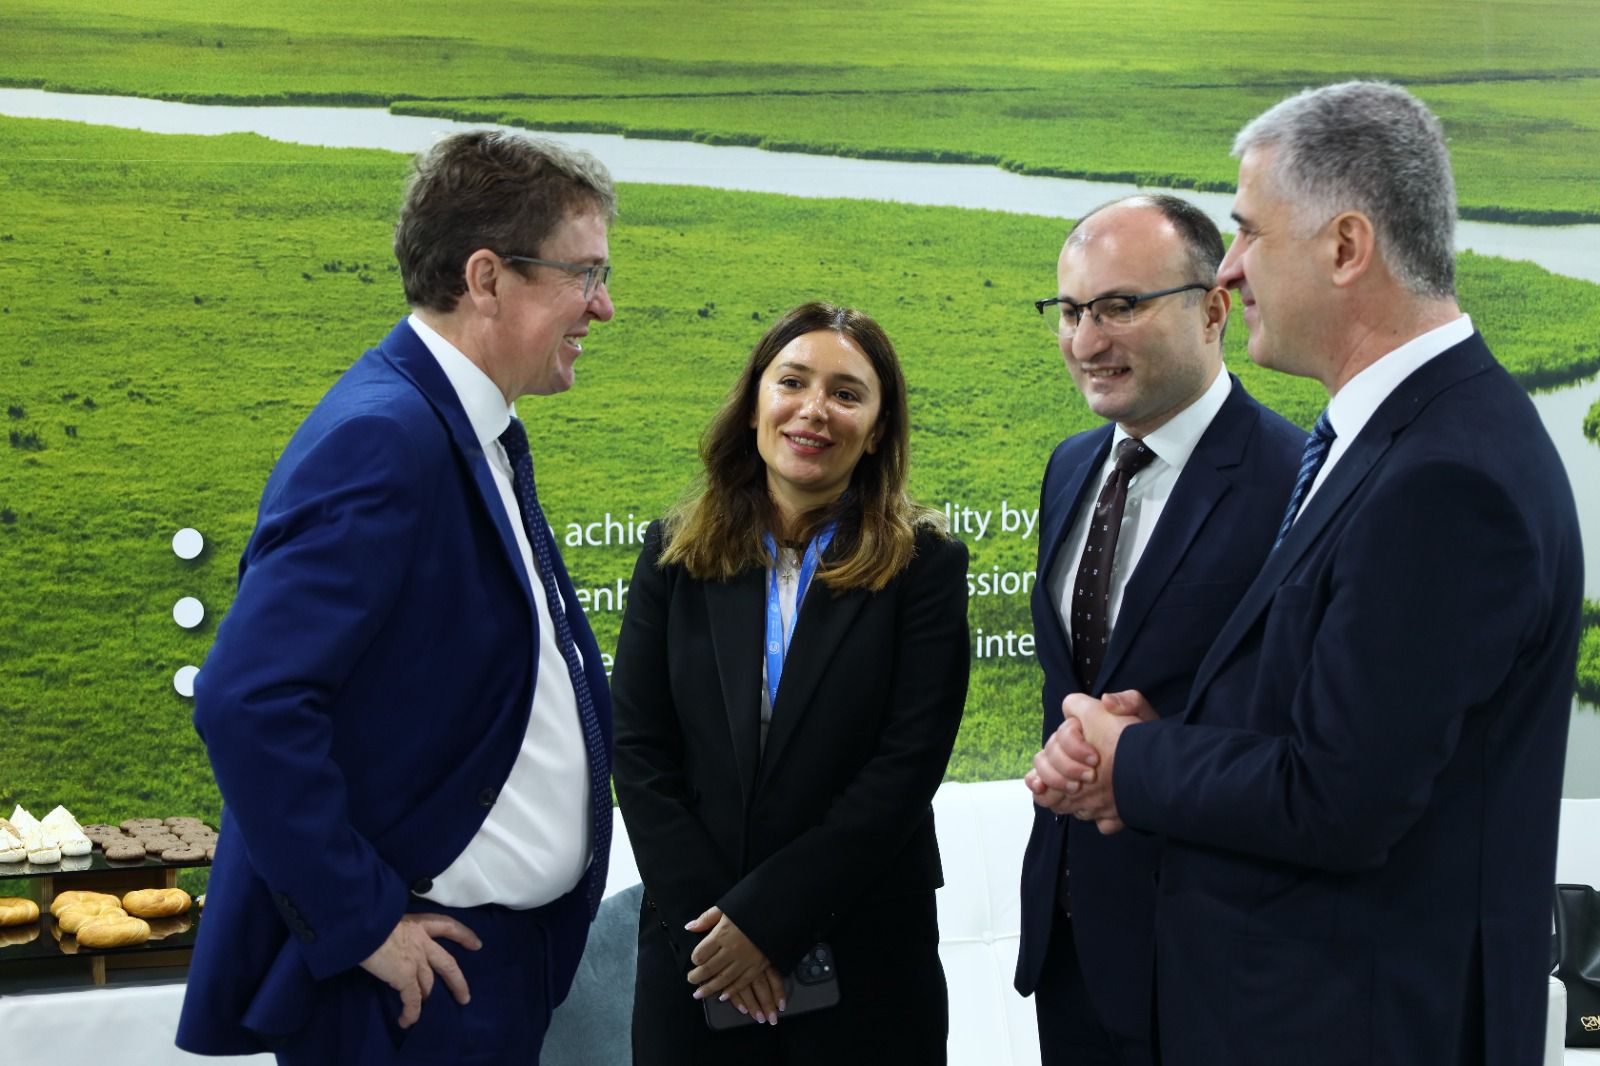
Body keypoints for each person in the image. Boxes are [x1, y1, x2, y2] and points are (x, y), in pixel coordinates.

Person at [1029, 81, 1583, 1064]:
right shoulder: (1402, 435)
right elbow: (1344, 716)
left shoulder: (1442, 476)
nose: (1229, 269)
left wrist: (1133, 759)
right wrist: (1174, 734)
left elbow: (1341, 799)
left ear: (1345, 246)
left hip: (1359, 1020)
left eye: (1247, 231)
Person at [176, 129, 618, 1066]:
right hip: (415, 991)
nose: (603, 305)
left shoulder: (460, 421)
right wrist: (362, 921)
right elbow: (247, 700)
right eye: (584, 274)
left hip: (487, 971)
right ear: (486, 278)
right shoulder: (383, 439)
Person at [611, 301, 970, 1064]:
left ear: (877, 429)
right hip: (698, 953)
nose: (814, 409)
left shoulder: (925, 567)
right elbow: (639, 750)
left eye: (846, 393)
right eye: (793, 382)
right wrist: (717, 930)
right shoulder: (674, 553)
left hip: (864, 955)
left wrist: (767, 923)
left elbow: (905, 769)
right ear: (753, 405)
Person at [1013, 195, 1303, 1066]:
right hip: (1071, 940)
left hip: (1217, 951)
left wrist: (1152, 755)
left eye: (1119, 306)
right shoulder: (1070, 466)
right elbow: (1075, 686)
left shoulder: (1298, 480)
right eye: (1070, 311)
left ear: (1214, 309)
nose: (1085, 341)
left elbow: (1317, 733)